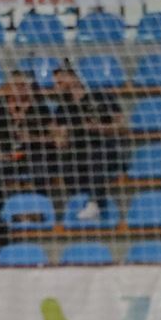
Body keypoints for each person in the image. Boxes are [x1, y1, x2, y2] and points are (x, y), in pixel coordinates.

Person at [50, 64, 123, 220]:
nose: (56, 87)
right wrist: (61, 138)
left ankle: (95, 203)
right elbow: (58, 138)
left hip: (104, 147)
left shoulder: (101, 97)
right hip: (76, 152)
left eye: (59, 82)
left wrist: (98, 128)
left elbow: (121, 126)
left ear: (73, 78)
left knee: (95, 155)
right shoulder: (62, 108)